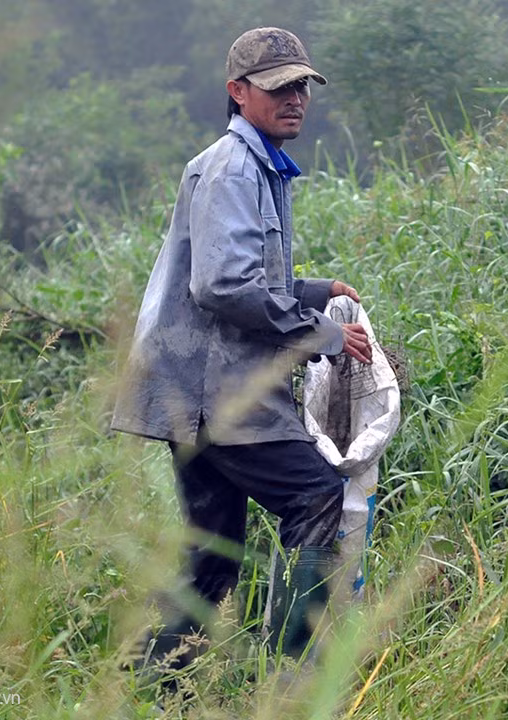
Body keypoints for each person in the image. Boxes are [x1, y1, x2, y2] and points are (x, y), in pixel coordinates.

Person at [111, 26, 371, 666]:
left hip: (190, 390)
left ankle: (145, 693)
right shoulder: (233, 169)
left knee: (214, 555)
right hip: (216, 391)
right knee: (317, 499)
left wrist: (314, 290)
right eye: (279, 88)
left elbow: (246, 276)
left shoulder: (258, 165)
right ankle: (292, 682)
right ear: (237, 92)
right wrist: (327, 336)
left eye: (303, 87)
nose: (296, 100)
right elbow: (225, 286)